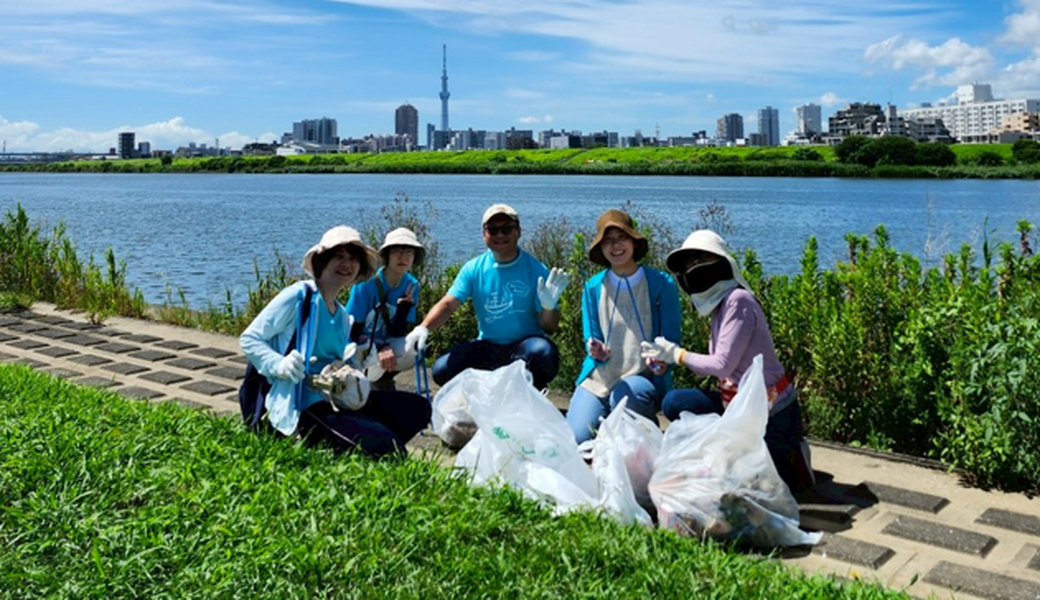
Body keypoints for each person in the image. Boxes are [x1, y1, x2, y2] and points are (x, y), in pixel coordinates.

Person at [640, 229, 814, 492]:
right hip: (736, 404)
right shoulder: (719, 307)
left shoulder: (738, 301)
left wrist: (678, 355)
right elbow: (712, 367)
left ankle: (790, 451)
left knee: (753, 483)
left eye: (700, 260)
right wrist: (668, 359)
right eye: (689, 264)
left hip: (771, 412)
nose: (693, 269)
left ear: (720, 263)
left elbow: (722, 365)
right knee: (675, 402)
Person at [239, 225, 431, 459]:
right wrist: (279, 364)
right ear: (322, 262)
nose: (346, 264)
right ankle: (344, 440)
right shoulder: (300, 297)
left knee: (418, 408)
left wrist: (360, 361)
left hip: (338, 397)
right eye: (338, 256)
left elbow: (340, 361)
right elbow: (250, 338)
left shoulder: (341, 315)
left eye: (353, 258)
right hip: (305, 403)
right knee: (389, 448)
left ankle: (358, 439)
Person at [404, 203, 569, 390]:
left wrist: (549, 307)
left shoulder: (537, 270)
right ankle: (494, 385)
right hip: (487, 346)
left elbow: (550, 327)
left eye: (507, 229)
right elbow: (449, 304)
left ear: (518, 232)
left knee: (544, 353)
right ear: (484, 234)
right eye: (493, 230)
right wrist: (423, 328)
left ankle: (527, 391)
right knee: (442, 369)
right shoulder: (474, 269)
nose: (500, 235)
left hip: (525, 347)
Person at [566, 209, 682, 444]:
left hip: (641, 376)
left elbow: (671, 340)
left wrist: (660, 362)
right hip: (600, 376)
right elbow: (591, 336)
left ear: (633, 242)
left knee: (631, 397)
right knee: (577, 436)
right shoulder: (592, 287)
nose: (615, 246)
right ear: (601, 248)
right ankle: (611, 416)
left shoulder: (661, 284)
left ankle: (640, 418)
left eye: (621, 238)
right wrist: (596, 351)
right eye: (608, 240)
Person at [346, 227, 424, 391]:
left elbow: (398, 332)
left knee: (415, 347)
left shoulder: (412, 285)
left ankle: (384, 377)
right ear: (387, 255)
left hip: (384, 342)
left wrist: (403, 310)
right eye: (396, 251)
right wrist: (380, 348)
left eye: (408, 252)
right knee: (375, 357)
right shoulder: (365, 285)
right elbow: (352, 331)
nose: (402, 257)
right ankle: (367, 381)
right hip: (359, 346)